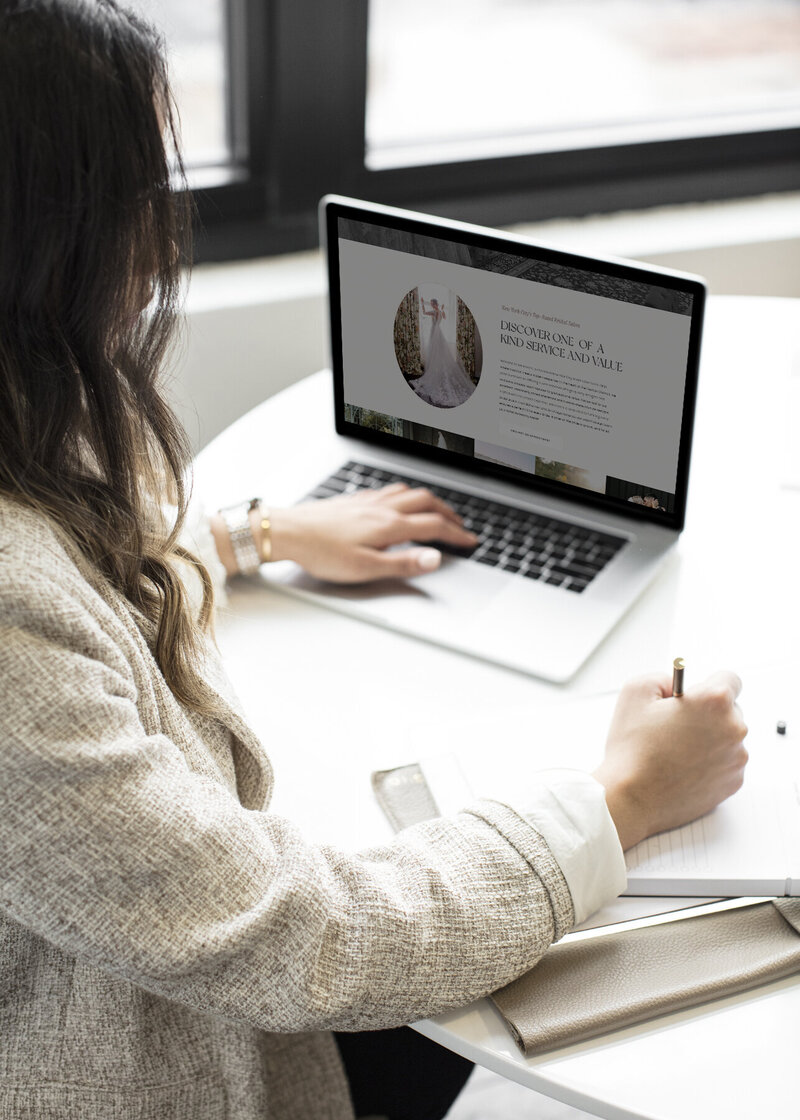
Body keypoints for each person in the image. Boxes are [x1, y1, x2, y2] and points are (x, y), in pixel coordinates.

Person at [0, 3, 748, 1119]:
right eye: (144, 193)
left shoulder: (28, 415)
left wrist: (254, 535)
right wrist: (625, 797)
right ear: (51, 230)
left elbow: (58, 551)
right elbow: (304, 936)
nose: (166, 232)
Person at [412, 295, 475, 408]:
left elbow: (424, 312)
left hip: (434, 332)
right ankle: (439, 371)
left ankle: (436, 372)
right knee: (440, 353)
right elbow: (444, 318)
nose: (431, 304)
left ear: (434, 304)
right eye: (430, 303)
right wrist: (441, 308)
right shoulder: (440, 311)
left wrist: (422, 303)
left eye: (431, 303)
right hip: (439, 332)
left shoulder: (433, 311)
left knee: (434, 353)